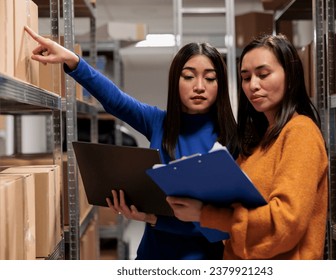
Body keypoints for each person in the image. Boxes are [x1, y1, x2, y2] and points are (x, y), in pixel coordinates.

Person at [24, 26, 238, 260]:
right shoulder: (159, 122)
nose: (199, 86)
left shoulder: (232, 138)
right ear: (175, 81)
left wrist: (153, 218)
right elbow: (116, 101)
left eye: (209, 78)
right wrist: (73, 61)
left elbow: (227, 224)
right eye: (188, 76)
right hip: (151, 258)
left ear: (220, 85)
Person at [166, 33, 329, 260]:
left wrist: (205, 214)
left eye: (263, 74)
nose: (253, 85)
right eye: (245, 77)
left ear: (290, 77)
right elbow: (233, 214)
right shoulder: (259, 142)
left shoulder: (300, 132)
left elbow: (284, 223)